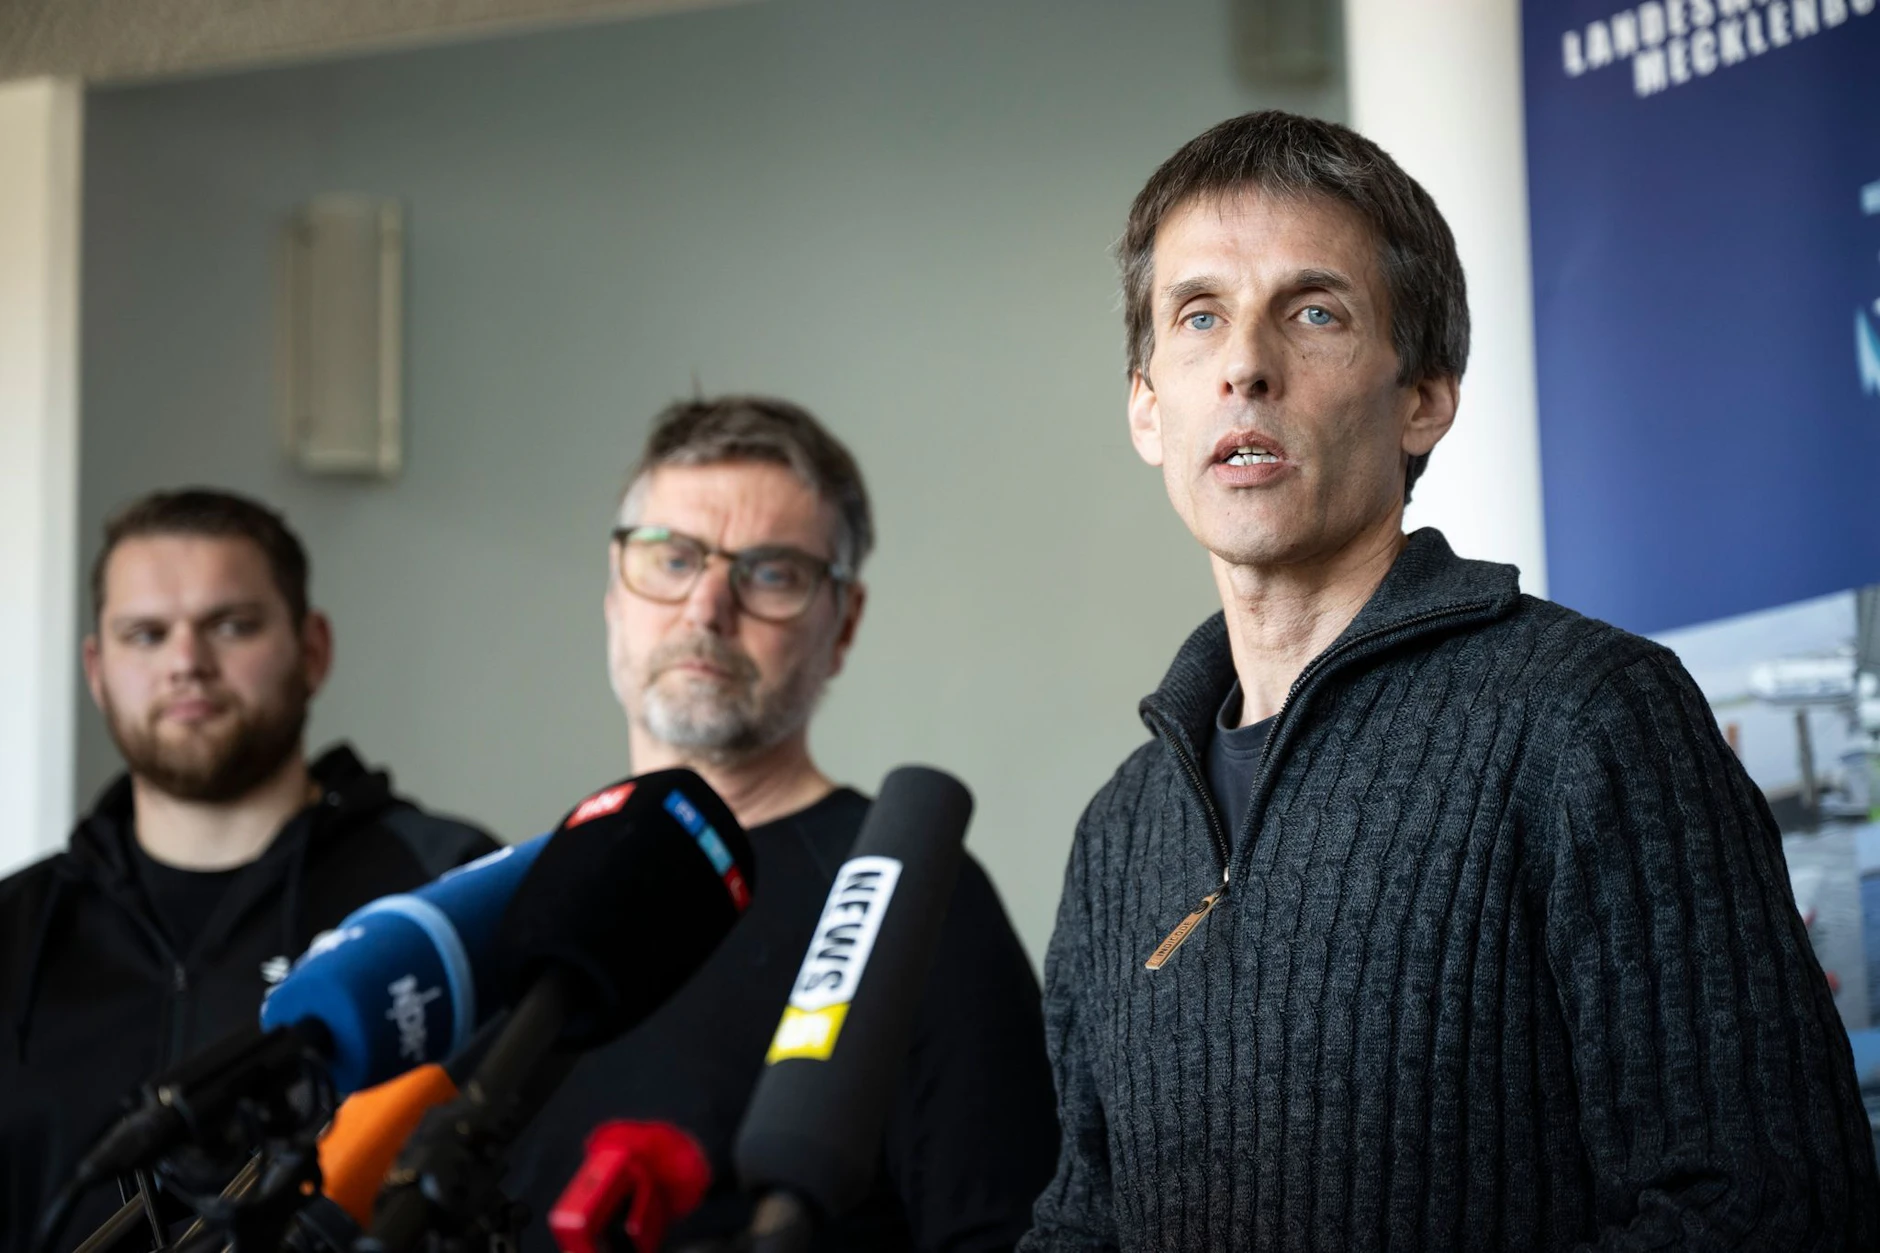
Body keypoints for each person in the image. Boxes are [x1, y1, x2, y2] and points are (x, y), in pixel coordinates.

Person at [1018, 111, 1880, 1252]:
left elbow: (1764, 1207)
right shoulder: (1120, 828)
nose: (1244, 365)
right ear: (1145, 405)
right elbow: (1082, 1220)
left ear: (1422, 395)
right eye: (1197, 317)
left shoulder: (1590, 716)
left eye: (1313, 311)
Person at [507, 396, 1058, 1252]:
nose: (706, 608)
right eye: (672, 558)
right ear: (615, 591)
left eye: (770, 573)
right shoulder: (526, 894)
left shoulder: (910, 898)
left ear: (843, 624)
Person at [0, 489, 498, 1253]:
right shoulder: (17, 926)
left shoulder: (438, 892)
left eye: (231, 625)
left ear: (313, 648)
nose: (186, 663)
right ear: (97, 670)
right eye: (146, 633)